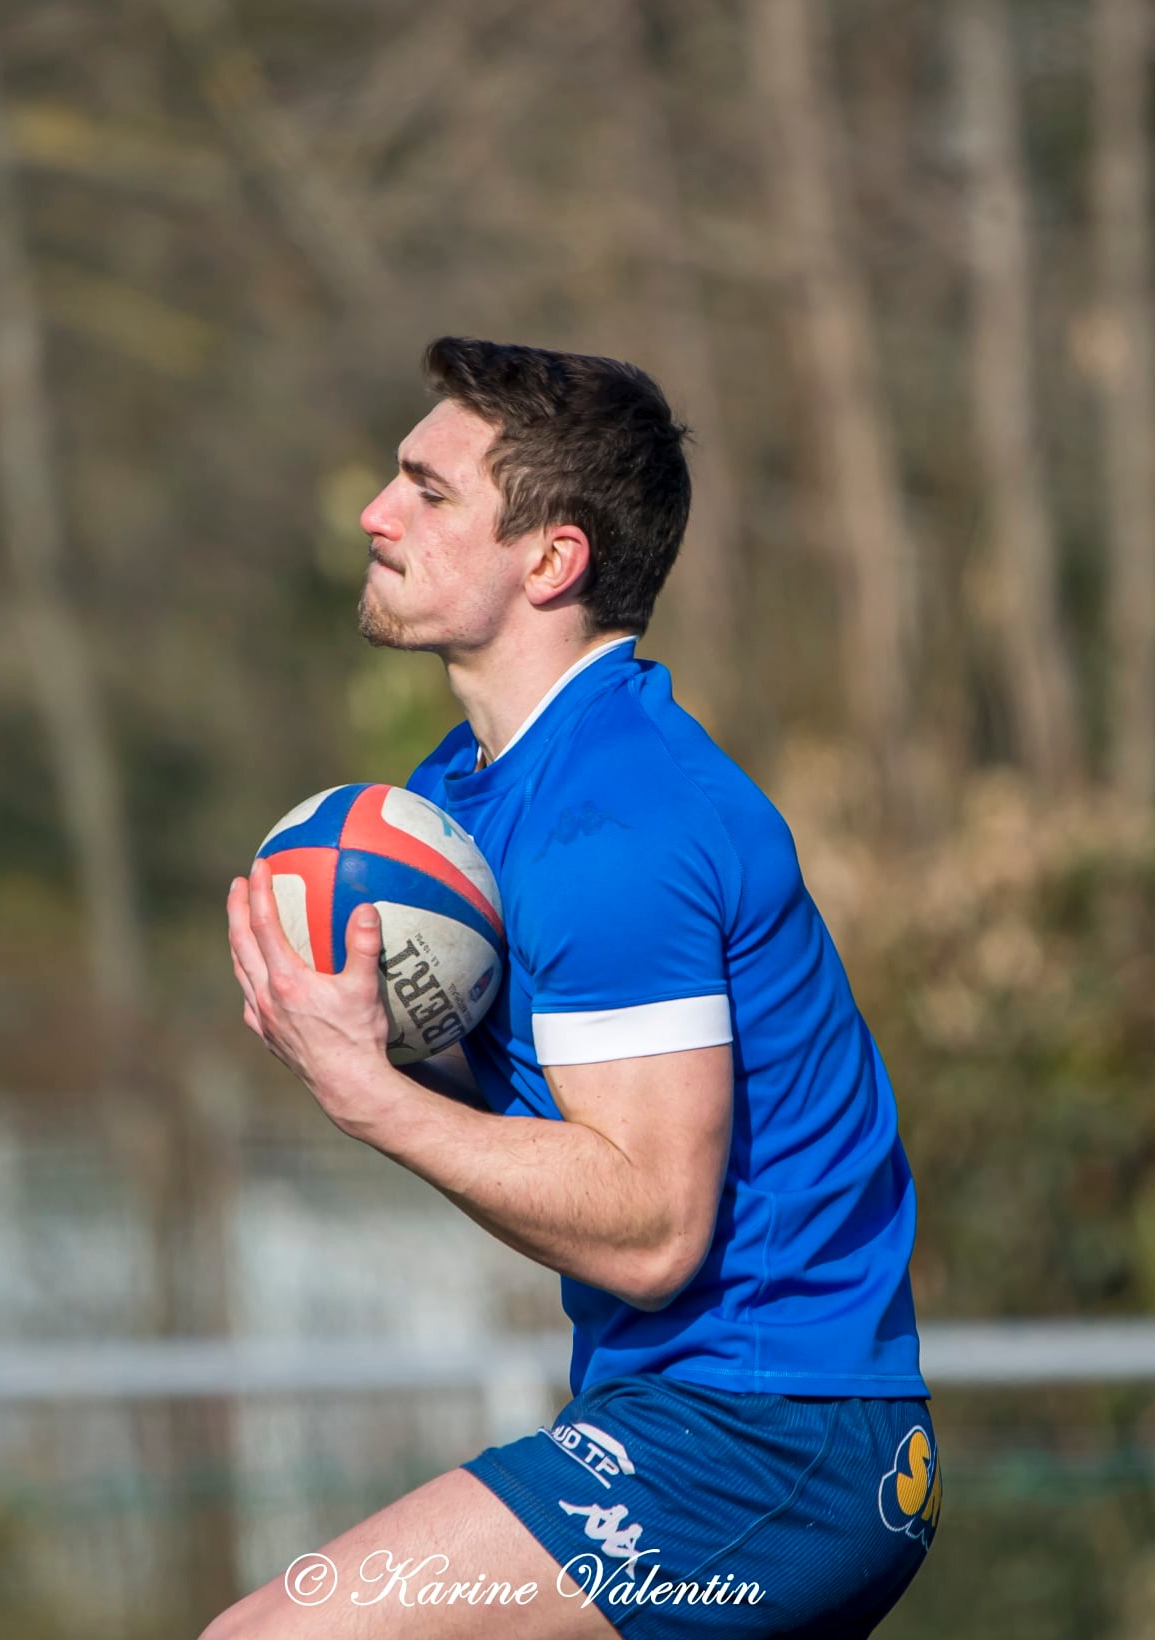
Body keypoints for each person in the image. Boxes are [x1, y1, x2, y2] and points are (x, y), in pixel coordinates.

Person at [214, 338, 941, 1639]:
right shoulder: (459, 803)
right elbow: (529, 1102)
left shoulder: (618, 824)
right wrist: (355, 1028)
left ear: (550, 560)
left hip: (764, 1437)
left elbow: (654, 1231)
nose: (377, 516)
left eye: (428, 493)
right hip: (684, 1420)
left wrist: (362, 1091)